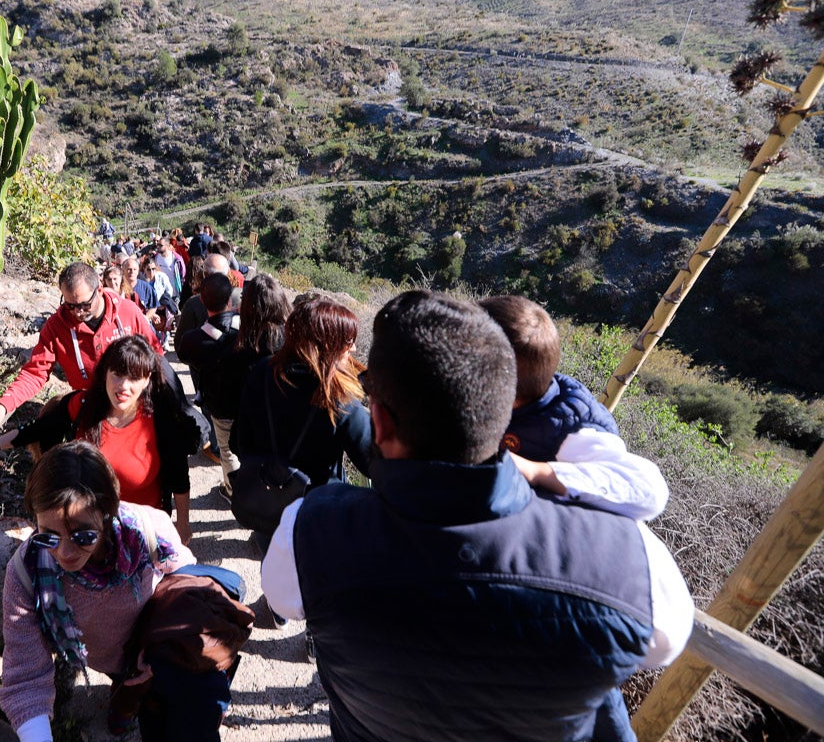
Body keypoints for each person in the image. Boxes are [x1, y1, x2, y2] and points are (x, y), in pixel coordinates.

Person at [263, 290, 694, 742]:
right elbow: (665, 643)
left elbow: (281, 598)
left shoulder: (307, 531)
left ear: (381, 421)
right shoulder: (634, 564)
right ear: (501, 416)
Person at [0, 442, 235, 742]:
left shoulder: (150, 531)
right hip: (108, 660)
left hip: (157, 654)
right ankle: (124, 700)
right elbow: (25, 678)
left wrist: (158, 646)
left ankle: (131, 703)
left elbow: (186, 584)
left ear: (107, 513)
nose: (65, 552)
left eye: (82, 535)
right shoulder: (25, 574)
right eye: (48, 536)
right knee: (127, 689)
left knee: (161, 716)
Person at [0, 337, 197, 543]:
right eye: (117, 375)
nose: (124, 386)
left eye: (134, 378)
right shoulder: (84, 406)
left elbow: (178, 475)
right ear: (105, 374)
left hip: (142, 533)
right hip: (86, 532)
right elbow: (35, 430)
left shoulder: (160, 419)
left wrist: (182, 525)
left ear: (147, 380)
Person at [479, 295, 668, 522]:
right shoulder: (527, 384)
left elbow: (648, 490)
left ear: (508, 393)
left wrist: (537, 472)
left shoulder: (570, 428)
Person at [0, 263, 161, 432]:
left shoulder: (127, 312)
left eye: (85, 305)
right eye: (70, 305)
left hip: (134, 408)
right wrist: (5, 404)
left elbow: (156, 357)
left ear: (100, 289)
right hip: (92, 413)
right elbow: (35, 372)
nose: (78, 312)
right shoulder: (56, 327)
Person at [232, 295, 372, 492]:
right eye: (348, 341)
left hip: (269, 497)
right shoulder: (338, 399)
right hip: (317, 509)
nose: (354, 349)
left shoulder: (262, 371)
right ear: (328, 346)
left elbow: (238, 442)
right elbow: (377, 465)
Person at [177, 273, 243, 495]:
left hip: (219, 404)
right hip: (247, 400)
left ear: (202, 301)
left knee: (227, 449)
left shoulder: (193, 340)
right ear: (230, 300)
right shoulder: (246, 332)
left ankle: (234, 492)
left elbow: (183, 354)